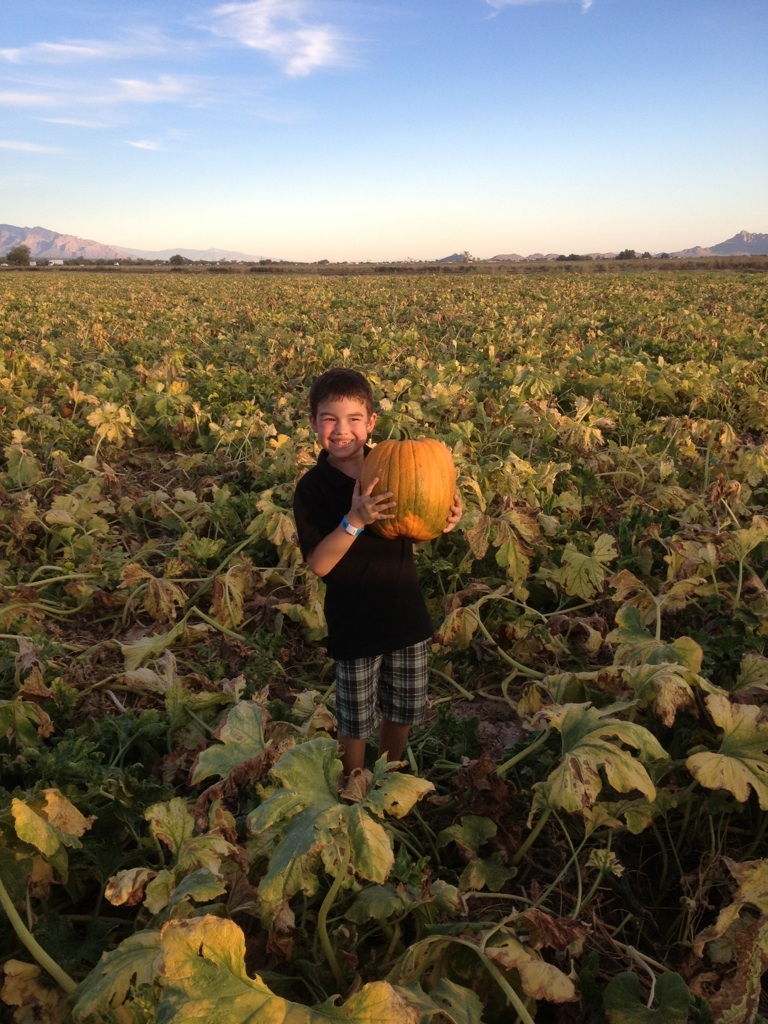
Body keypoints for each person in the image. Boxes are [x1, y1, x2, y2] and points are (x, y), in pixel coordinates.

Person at [292, 367, 462, 776]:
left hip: (406, 615)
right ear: (314, 423)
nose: (341, 430)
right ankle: (354, 779)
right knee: (355, 717)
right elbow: (319, 564)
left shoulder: (390, 464)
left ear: (371, 423)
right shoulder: (312, 488)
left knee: (403, 707)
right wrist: (354, 520)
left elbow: (412, 527)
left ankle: (388, 773)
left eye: (354, 419)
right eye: (329, 419)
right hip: (355, 624)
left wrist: (444, 519)